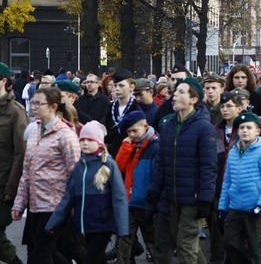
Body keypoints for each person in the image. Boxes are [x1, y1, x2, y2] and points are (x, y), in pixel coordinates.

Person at [146, 77, 218, 263]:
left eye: (181, 92)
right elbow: (162, 161)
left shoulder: (204, 128)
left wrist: (204, 198)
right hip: (168, 196)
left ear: (193, 99)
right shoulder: (169, 125)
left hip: (192, 199)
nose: (174, 95)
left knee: (186, 245)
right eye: (175, 91)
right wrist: (155, 189)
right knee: (163, 246)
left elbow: (208, 167)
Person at [11, 87, 81, 264]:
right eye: (33, 102)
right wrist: (19, 203)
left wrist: (75, 205)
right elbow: (27, 171)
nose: (33, 107)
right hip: (36, 203)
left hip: (56, 204)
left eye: (38, 103)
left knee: (43, 249)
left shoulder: (65, 134)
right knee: (40, 248)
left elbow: (76, 172)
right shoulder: (35, 131)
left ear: (53, 106)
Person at [44, 121, 129, 263]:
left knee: (92, 260)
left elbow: (119, 198)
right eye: (82, 140)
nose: (85, 143)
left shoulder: (108, 164)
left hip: (103, 224)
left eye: (90, 140)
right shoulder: (79, 166)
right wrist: (53, 222)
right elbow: (68, 198)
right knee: (98, 259)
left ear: (100, 143)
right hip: (85, 224)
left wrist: (123, 227)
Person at [218, 112, 261, 264]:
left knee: (256, 250)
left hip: (255, 209)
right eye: (241, 127)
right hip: (235, 208)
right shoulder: (233, 152)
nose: (245, 130)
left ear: (257, 131)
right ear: (237, 131)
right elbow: (227, 182)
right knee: (230, 244)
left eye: (249, 127)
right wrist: (223, 207)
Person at [116, 111, 159, 263]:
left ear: (145, 126)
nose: (132, 134)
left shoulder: (155, 146)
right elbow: (119, 167)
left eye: (135, 130)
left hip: (147, 203)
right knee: (125, 239)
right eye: (128, 132)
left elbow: (156, 176)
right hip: (130, 201)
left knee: (152, 240)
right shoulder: (130, 145)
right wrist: (126, 146)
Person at [211, 92, 244, 264]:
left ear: (239, 108)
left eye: (229, 106)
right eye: (223, 106)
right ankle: (217, 257)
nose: (225, 109)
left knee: (236, 230)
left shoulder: (245, 129)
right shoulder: (215, 130)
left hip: (239, 186)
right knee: (218, 226)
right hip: (218, 185)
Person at [0, 62, 27, 264]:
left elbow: (21, 153)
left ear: (3, 81)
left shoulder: (15, 111)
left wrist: (12, 188)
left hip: (3, 184)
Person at [102, 69, 142, 157]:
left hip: (129, 154)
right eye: (115, 85)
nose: (117, 89)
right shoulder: (110, 108)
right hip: (111, 155)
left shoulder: (136, 109)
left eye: (121, 85)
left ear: (132, 87)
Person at [224, 65, 261, 135]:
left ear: (248, 79)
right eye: (236, 77)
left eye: (243, 77)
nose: (240, 80)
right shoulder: (225, 97)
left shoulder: (259, 98)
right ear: (231, 79)